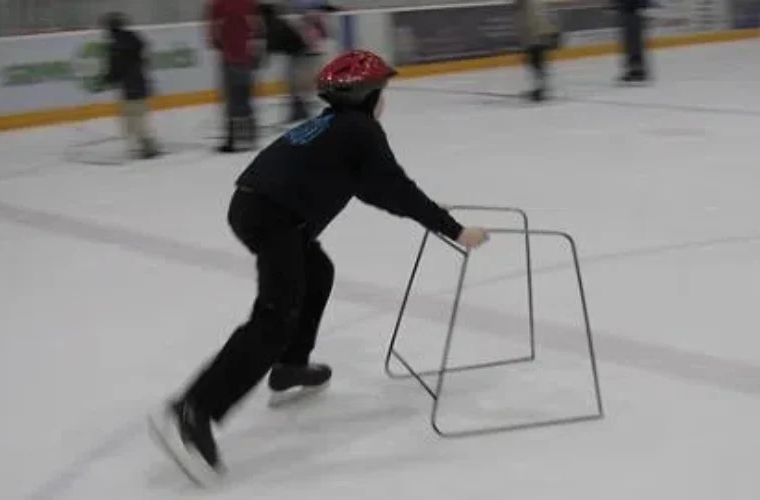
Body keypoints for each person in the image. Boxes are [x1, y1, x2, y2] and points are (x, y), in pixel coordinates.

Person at [148, 49, 490, 486]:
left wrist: (426, 213)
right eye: (382, 91)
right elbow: (396, 188)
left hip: (258, 207)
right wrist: (455, 230)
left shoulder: (336, 127)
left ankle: (291, 366)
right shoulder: (361, 130)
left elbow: (373, 189)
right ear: (366, 95)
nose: (384, 100)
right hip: (275, 216)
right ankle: (193, 410)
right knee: (274, 317)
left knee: (317, 273)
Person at [100, 12, 160, 159]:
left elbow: (115, 68)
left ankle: (145, 146)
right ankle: (146, 144)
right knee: (139, 116)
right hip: (140, 82)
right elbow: (142, 53)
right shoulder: (134, 38)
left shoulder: (115, 46)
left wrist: (107, 79)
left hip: (128, 86)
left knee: (131, 118)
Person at [207, 0, 261, 152]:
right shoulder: (249, 3)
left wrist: (220, 45)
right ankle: (251, 136)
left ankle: (232, 138)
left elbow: (214, 35)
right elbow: (257, 28)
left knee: (232, 99)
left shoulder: (218, 4)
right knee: (245, 97)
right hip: (246, 57)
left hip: (230, 58)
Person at [515, 0, 560, 101]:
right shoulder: (532, 4)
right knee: (536, 62)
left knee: (536, 61)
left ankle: (541, 89)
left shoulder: (532, 4)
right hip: (537, 34)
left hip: (536, 35)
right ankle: (540, 88)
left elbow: (538, 18)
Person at [617, 0, 650, 83]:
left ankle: (637, 70)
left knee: (633, 42)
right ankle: (635, 69)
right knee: (631, 42)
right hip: (630, 11)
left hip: (632, 11)